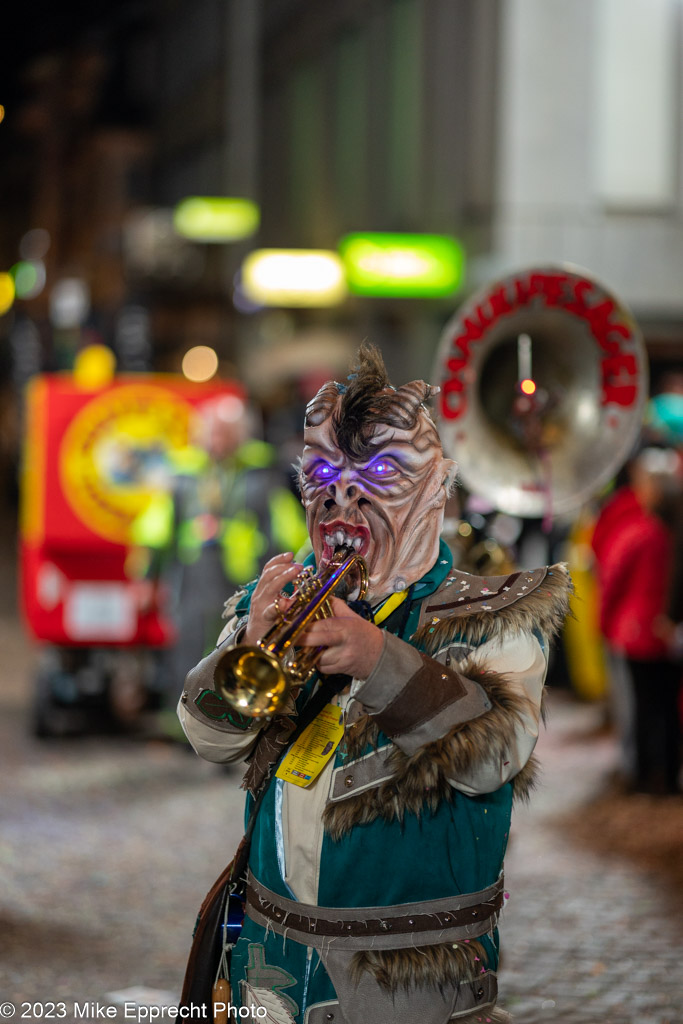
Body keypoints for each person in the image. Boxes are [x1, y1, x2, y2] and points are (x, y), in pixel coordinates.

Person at [178, 344, 572, 1024]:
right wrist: (246, 642)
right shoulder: (275, 600)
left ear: (432, 493)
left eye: (377, 480)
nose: (342, 507)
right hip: (268, 967)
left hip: (405, 983)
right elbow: (206, 738)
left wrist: (376, 658)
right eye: (323, 479)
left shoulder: (494, 613)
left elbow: (493, 758)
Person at [131, 393, 307, 711]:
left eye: (225, 433)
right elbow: (155, 529)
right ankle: (184, 719)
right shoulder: (183, 477)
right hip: (192, 578)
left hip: (242, 579)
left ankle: (232, 718)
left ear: (241, 436)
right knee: (187, 649)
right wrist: (147, 576)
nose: (217, 441)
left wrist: (286, 576)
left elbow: (285, 530)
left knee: (235, 646)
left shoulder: (262, 476)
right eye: (211, 432)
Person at [595, 447, 682, 794]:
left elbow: (611, 583)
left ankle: (644, 777)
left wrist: (602, 625)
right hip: (669, 635)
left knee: (640, 709)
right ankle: (671, 774)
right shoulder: (672, 535)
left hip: (634, 634)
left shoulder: (635, 534)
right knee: (669, 707)